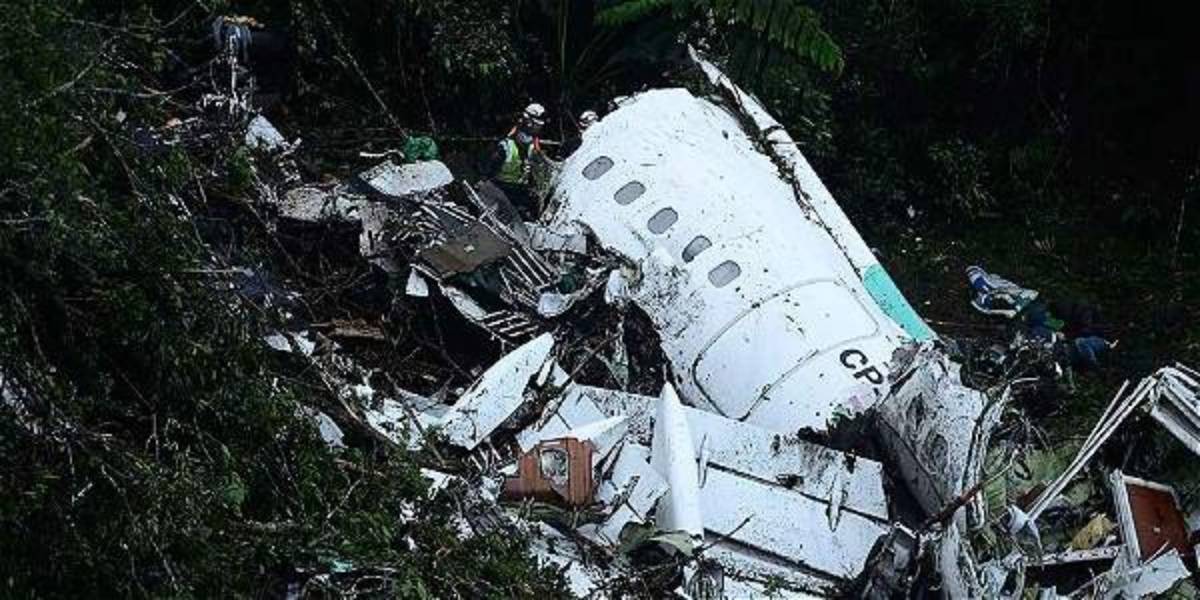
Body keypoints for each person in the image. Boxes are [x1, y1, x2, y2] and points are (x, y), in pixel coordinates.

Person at [485, 103, 547, 218]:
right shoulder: (505, 147)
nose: (538, 129)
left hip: (520, 192)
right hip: (501, 191)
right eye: (536, 125)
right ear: (528, 122)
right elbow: (488, 175)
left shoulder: (532, 147)